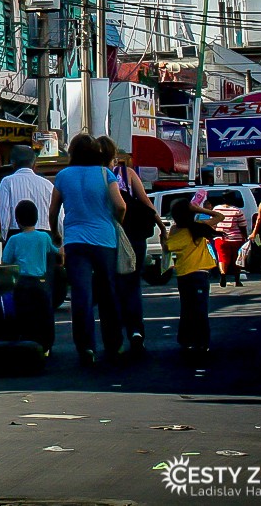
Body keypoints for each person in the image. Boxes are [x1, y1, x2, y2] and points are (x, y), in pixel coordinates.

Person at [48, 132, 127, 366]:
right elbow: (120, 205)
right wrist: (114, 222)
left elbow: (53, 211)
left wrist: (56, 233)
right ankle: (114, 343)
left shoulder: (63, 176)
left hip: (75, 240)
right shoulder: (106, 174)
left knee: (81, 296)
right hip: (104, 240)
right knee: (108, 293)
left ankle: (86, 347)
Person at [100, 135, 160, 357]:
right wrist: (162, 227)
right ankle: (136, 331)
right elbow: (146, 203)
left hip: (108, 236)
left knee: (112, 287)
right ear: (114, 157)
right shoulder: (127, 174)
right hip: (134, 236)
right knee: (132, 285)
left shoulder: (96, 177)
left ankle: (114, 337)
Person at [1, 199, 58, 356]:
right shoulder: (44, 237)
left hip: (22, 283)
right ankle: (45, 346)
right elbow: (55, 252)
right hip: (40, 282)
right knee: (44, 316)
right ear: (37, 217)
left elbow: (5, 262)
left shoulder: (14, 240)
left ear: (17, 220)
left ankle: (27, 345)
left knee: (25, 316)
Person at [166, 206, 219, 360]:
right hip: (201, 273)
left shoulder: (176, 232)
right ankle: (202, 341)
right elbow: (219, 216)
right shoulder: (199, 228)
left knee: (187, 308)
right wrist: (198, 208)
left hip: (183, 274)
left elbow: (167, 247)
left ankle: (186, 339)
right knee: (201, 309)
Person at [0, 143, 58, 240]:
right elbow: (59, 217)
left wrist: (2, 240)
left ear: (13, 163)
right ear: (34, 164)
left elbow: (3, 218)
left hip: (17, 236)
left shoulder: (7, 182)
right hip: (45, 237)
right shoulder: (48, 185)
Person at [212, 198, 249, 286]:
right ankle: (237, 280)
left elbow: (213, 224)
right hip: (236, 239)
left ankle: (223, 274)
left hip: (220, 239)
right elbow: (242, 226)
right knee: (237, 259)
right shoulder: (237, 211)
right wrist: (245, 237)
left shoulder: (216, 209)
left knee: (222, 258)